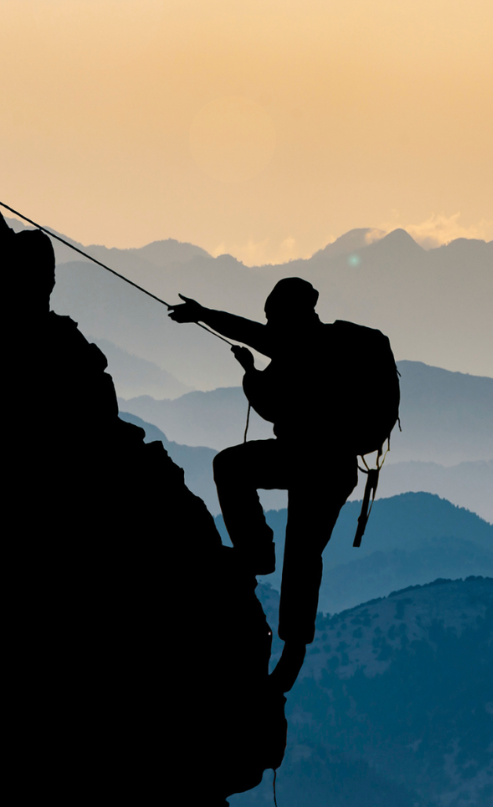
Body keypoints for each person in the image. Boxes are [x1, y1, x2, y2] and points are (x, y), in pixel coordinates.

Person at [169, 278, 397, 691]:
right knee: (305, 553)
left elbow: (267, 393)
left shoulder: (297, 347)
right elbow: (259, 344)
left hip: (302, 458)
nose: (270, 323)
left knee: (231, 467)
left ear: (289, 313)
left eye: (274, 315)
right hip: (335, 468)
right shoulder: (335, 345)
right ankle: (292, 656)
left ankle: (256, 553)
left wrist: (242, 364)